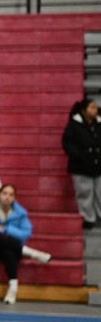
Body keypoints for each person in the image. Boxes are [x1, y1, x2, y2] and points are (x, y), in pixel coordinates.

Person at [0, 184, 51, 304]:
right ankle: (30, 253)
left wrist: (6, 229)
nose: (7, 197)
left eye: (11, 195)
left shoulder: (20, 213)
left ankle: (13, 288)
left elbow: (26, 233)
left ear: (14, 198)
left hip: (13, 250)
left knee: (8, 251)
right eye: (4, 193)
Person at [61, 98, 101, 230]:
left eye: (96, 107)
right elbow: (67, 143)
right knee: (84, 193)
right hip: (81, 166)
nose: (96, 110)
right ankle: (87, 218)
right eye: (92, 107)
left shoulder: (99, 123)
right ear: (84, 111)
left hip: (98, 164)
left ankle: (99, 217)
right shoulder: (74, 124)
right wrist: (80, 156)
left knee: (99, 192)